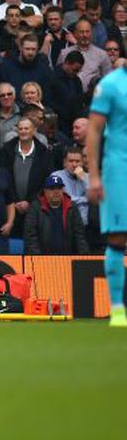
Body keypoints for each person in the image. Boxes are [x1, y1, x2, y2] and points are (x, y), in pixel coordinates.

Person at [87, 67, 127, 327]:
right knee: (118, 237)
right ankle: (117, 307)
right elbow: (94, 130)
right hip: (119, 168)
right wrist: (94, 176)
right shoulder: (110, 84)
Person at [25, 174, 91, 255]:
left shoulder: (71, 207)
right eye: (52, 188)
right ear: (45, 191)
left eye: (59, 188)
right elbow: (31, 236)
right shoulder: (36, 208)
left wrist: (84, 257)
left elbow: (79, 235)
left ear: (63, 190)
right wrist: (37, 258)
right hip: (42, 258)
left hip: (67, 257)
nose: (56, 192)